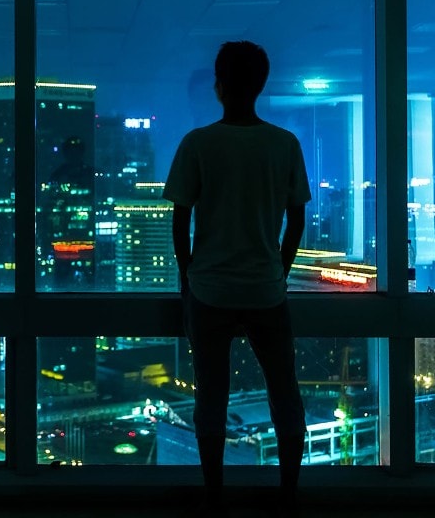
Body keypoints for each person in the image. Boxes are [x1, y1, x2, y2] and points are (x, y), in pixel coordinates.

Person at [163, 40, 309, 514]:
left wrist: (188, 278)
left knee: (212, 395)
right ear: (262, 85)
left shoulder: (198, 143)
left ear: (219, 87)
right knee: (283, 393)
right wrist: (278, 271)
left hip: (210, 290)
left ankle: (214, 497)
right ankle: (289, 494)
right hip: (267, 290)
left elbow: (179, 219)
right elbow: (296, 220)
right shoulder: (284, 144)